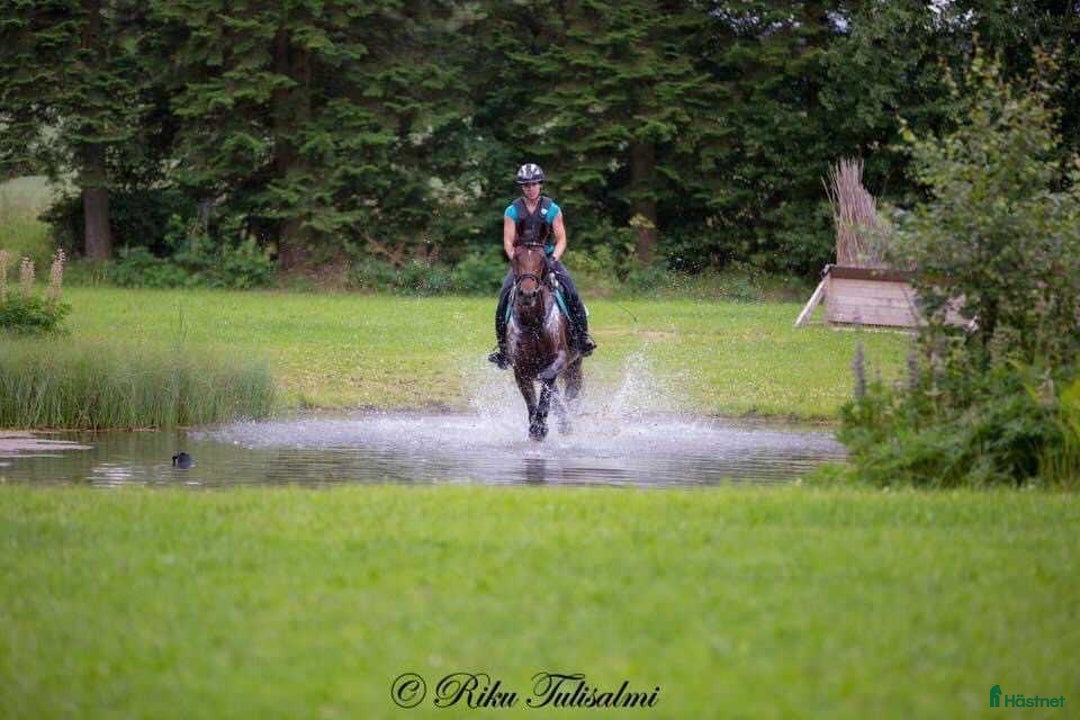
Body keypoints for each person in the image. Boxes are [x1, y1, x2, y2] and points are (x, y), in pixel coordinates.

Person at [488, 163, 597, 369]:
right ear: (522, 187)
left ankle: (582, 339)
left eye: (533, 184)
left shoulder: (552, 209)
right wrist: (517, 262)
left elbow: (561, 239)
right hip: (522, 263)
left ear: (540, 184)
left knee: (572, 292)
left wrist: (553, 258)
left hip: (546, 259)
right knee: (503, 298)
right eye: (526, 185)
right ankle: (503, 351)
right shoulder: (512, 211)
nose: (530, 188)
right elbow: (508, 242)